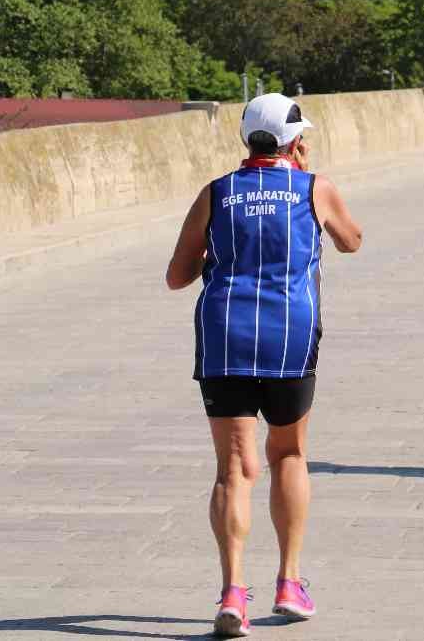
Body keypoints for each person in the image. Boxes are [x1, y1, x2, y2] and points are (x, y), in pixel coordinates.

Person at [165, 93, 363, 638]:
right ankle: (289, 582)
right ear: (295, 142)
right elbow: (351, 241)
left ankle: (232, 594)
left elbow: (177, 276)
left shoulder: (216, 193)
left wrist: (220, 257)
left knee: (234, 470)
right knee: (290, 453)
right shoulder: (313, 187)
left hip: (225, 335)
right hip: (290, 336)